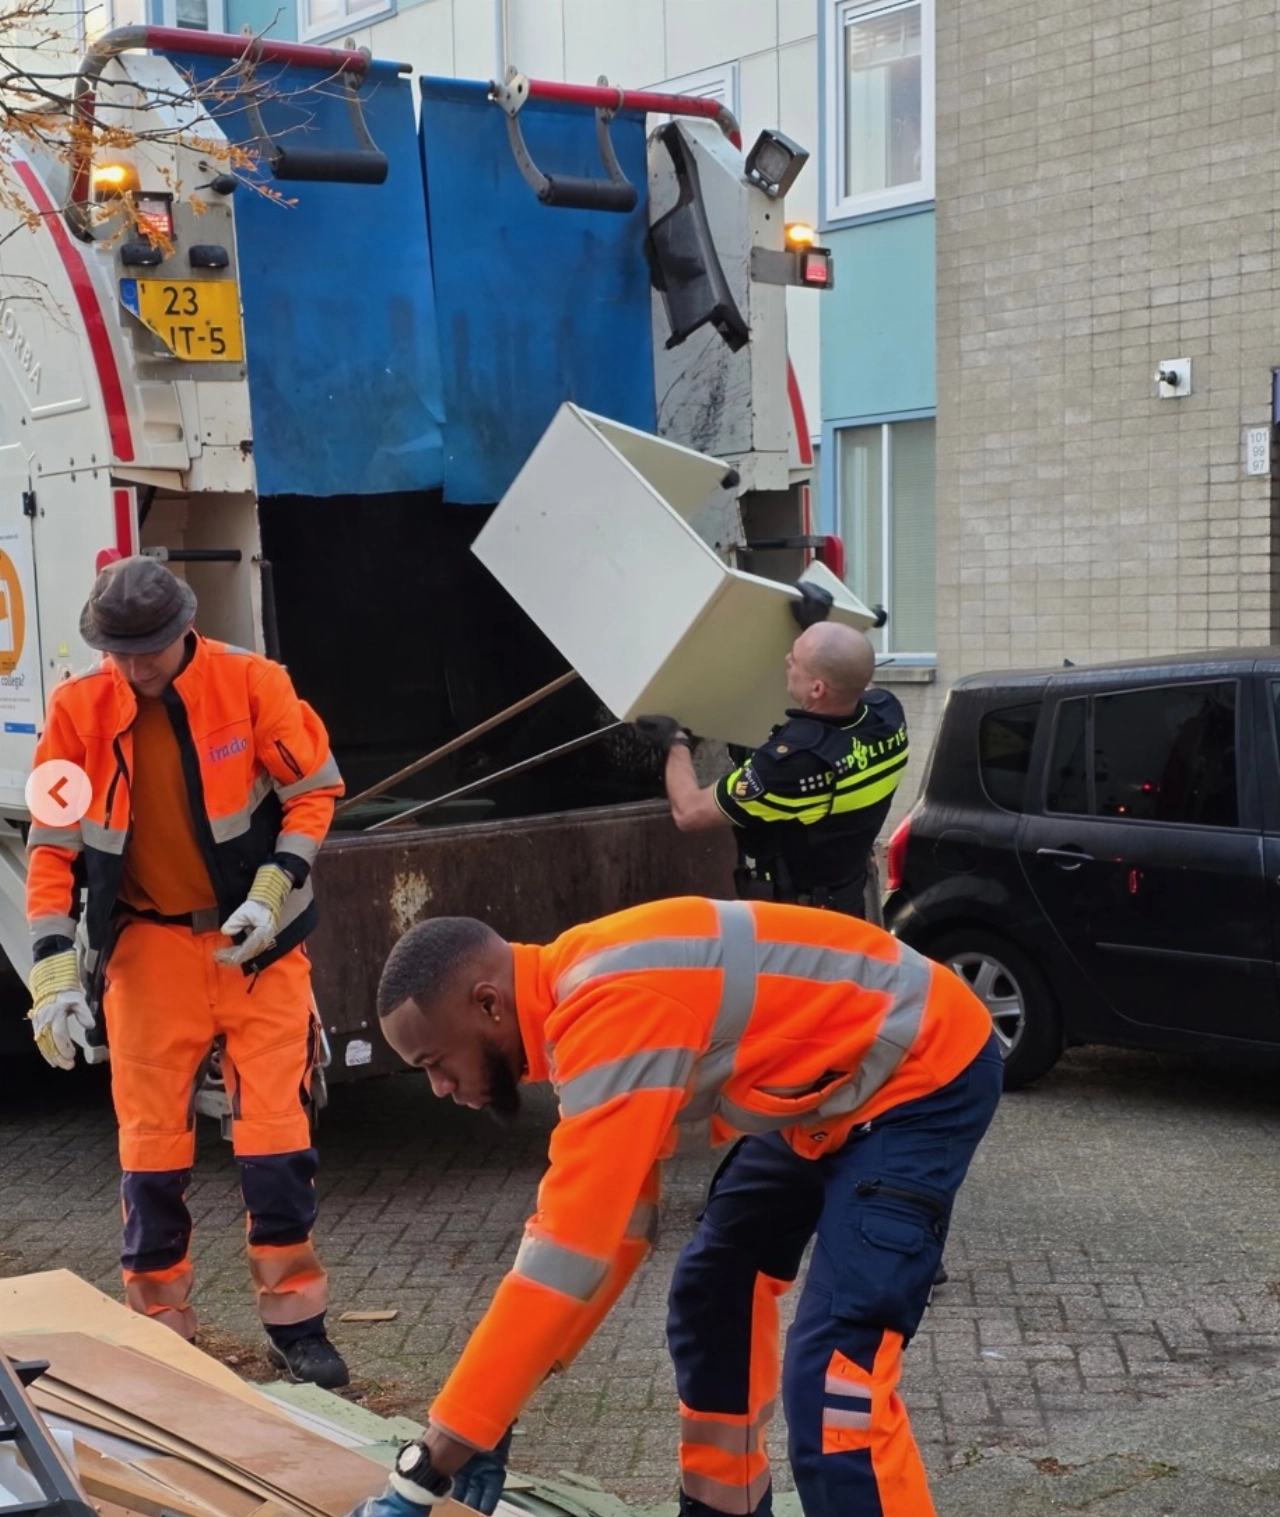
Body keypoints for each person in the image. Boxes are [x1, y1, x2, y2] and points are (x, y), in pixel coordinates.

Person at [351, 895, 1002, 1517]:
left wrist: (432, 1460)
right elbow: (613, 1237)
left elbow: (562, 1256)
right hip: (837, 1087)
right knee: (714, 1289)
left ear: (488, 1003)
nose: (439, 1087)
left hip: (921, 1074)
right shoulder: (583, 1001)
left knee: (835, 1387)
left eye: (436, 1061)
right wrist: (495, 1410)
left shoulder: (610, 1011)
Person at [24, 555, 348, 1387]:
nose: (135, 669)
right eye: (120, 653)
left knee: (278, 1142)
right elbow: (52, 845)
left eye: (150, 652)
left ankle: (297, 1324)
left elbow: (315, 791)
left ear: (183, 634)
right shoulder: (77, 711)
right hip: (149, 949)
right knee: (150, 1152)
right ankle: (162, 1334)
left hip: (257, 947)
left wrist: (275, 888)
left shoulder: (252, 683)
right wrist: (53, 970)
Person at [635, 606, 908, 920]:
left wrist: (675, 741)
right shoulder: (888, 715)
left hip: (802, 925)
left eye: (795, 659)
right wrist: (814, 628)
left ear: (817, 689)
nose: (786, 661)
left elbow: (689, 812)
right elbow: (853, 678)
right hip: (849, 903)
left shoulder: (795, 765)